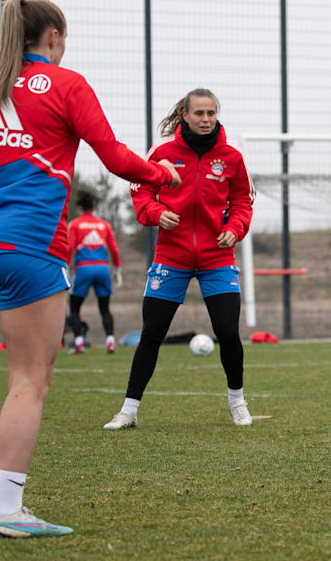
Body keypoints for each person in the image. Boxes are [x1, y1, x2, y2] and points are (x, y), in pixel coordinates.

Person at [0, 0, 180, 538]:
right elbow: (112, 157)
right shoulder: (66, 84)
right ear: (54, 37)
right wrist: (160, 176)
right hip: (29, 246)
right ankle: (5, 511)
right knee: (28, 379)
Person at [103, 88, 255, 431]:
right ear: (184, 115)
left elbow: (243, 201)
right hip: (171, 255)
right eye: (199, 113)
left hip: (218, 255)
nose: (205, 120)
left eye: (211, 113)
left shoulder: (232, 156)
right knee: (152, 332)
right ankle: (128, 410)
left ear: (217, 115)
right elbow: (141, 191)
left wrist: (235, 227)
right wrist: (157, 213)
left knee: (228, 332)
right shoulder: (163, 152)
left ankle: (238, 403)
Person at [67, 189, 123, 354]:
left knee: (75, 308)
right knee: (105, 308)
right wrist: (117, 267)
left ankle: (78, 343)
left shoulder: (75, 224)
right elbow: (113, 249)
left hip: (84, 268)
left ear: (79, 207)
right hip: (102, 269)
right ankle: (110, 341)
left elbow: (69, 247)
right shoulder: (104, 224)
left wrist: (66, 265)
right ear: (93, 206)